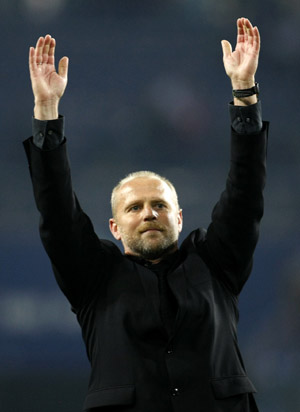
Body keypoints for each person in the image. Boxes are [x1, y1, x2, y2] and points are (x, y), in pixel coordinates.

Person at [24, 17, 269, 412]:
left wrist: (245, 92)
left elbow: (245, 191)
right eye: (134, 208)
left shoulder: (217, 264)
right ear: (114, 227)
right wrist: (46, 109)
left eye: (159, 205)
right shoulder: (94, 279)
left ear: (180, 218)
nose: (148, 213)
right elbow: (56, 212)